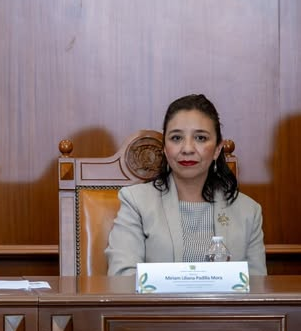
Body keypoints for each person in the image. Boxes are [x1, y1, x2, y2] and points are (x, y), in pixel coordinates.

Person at [106, 94, 266, 276]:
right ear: (165, 148)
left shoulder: (248, 212)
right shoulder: (136, 202)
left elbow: (257, 285)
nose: (188, 149)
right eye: (176, 138)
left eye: (200, 138)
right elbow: (122, 276)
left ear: (217, 149)